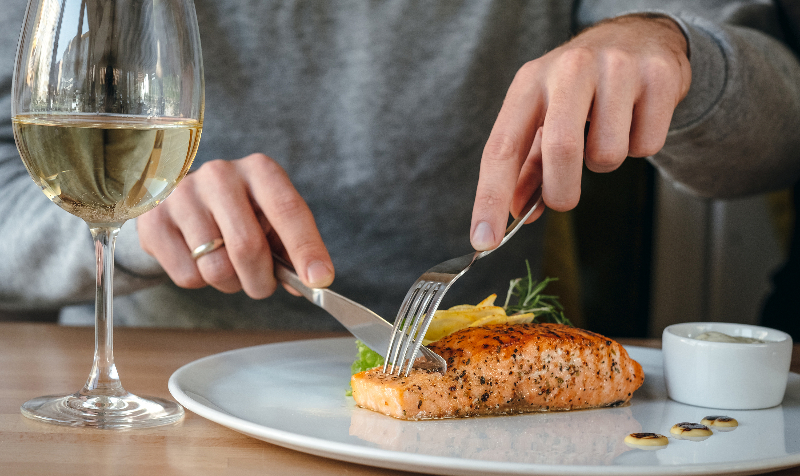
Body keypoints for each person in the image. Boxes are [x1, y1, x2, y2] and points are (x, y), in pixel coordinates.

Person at [2, 0, 800, 330]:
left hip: (488, 425)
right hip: (158, 396)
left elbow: (780, 130)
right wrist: (132, 227)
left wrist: (670, 48)